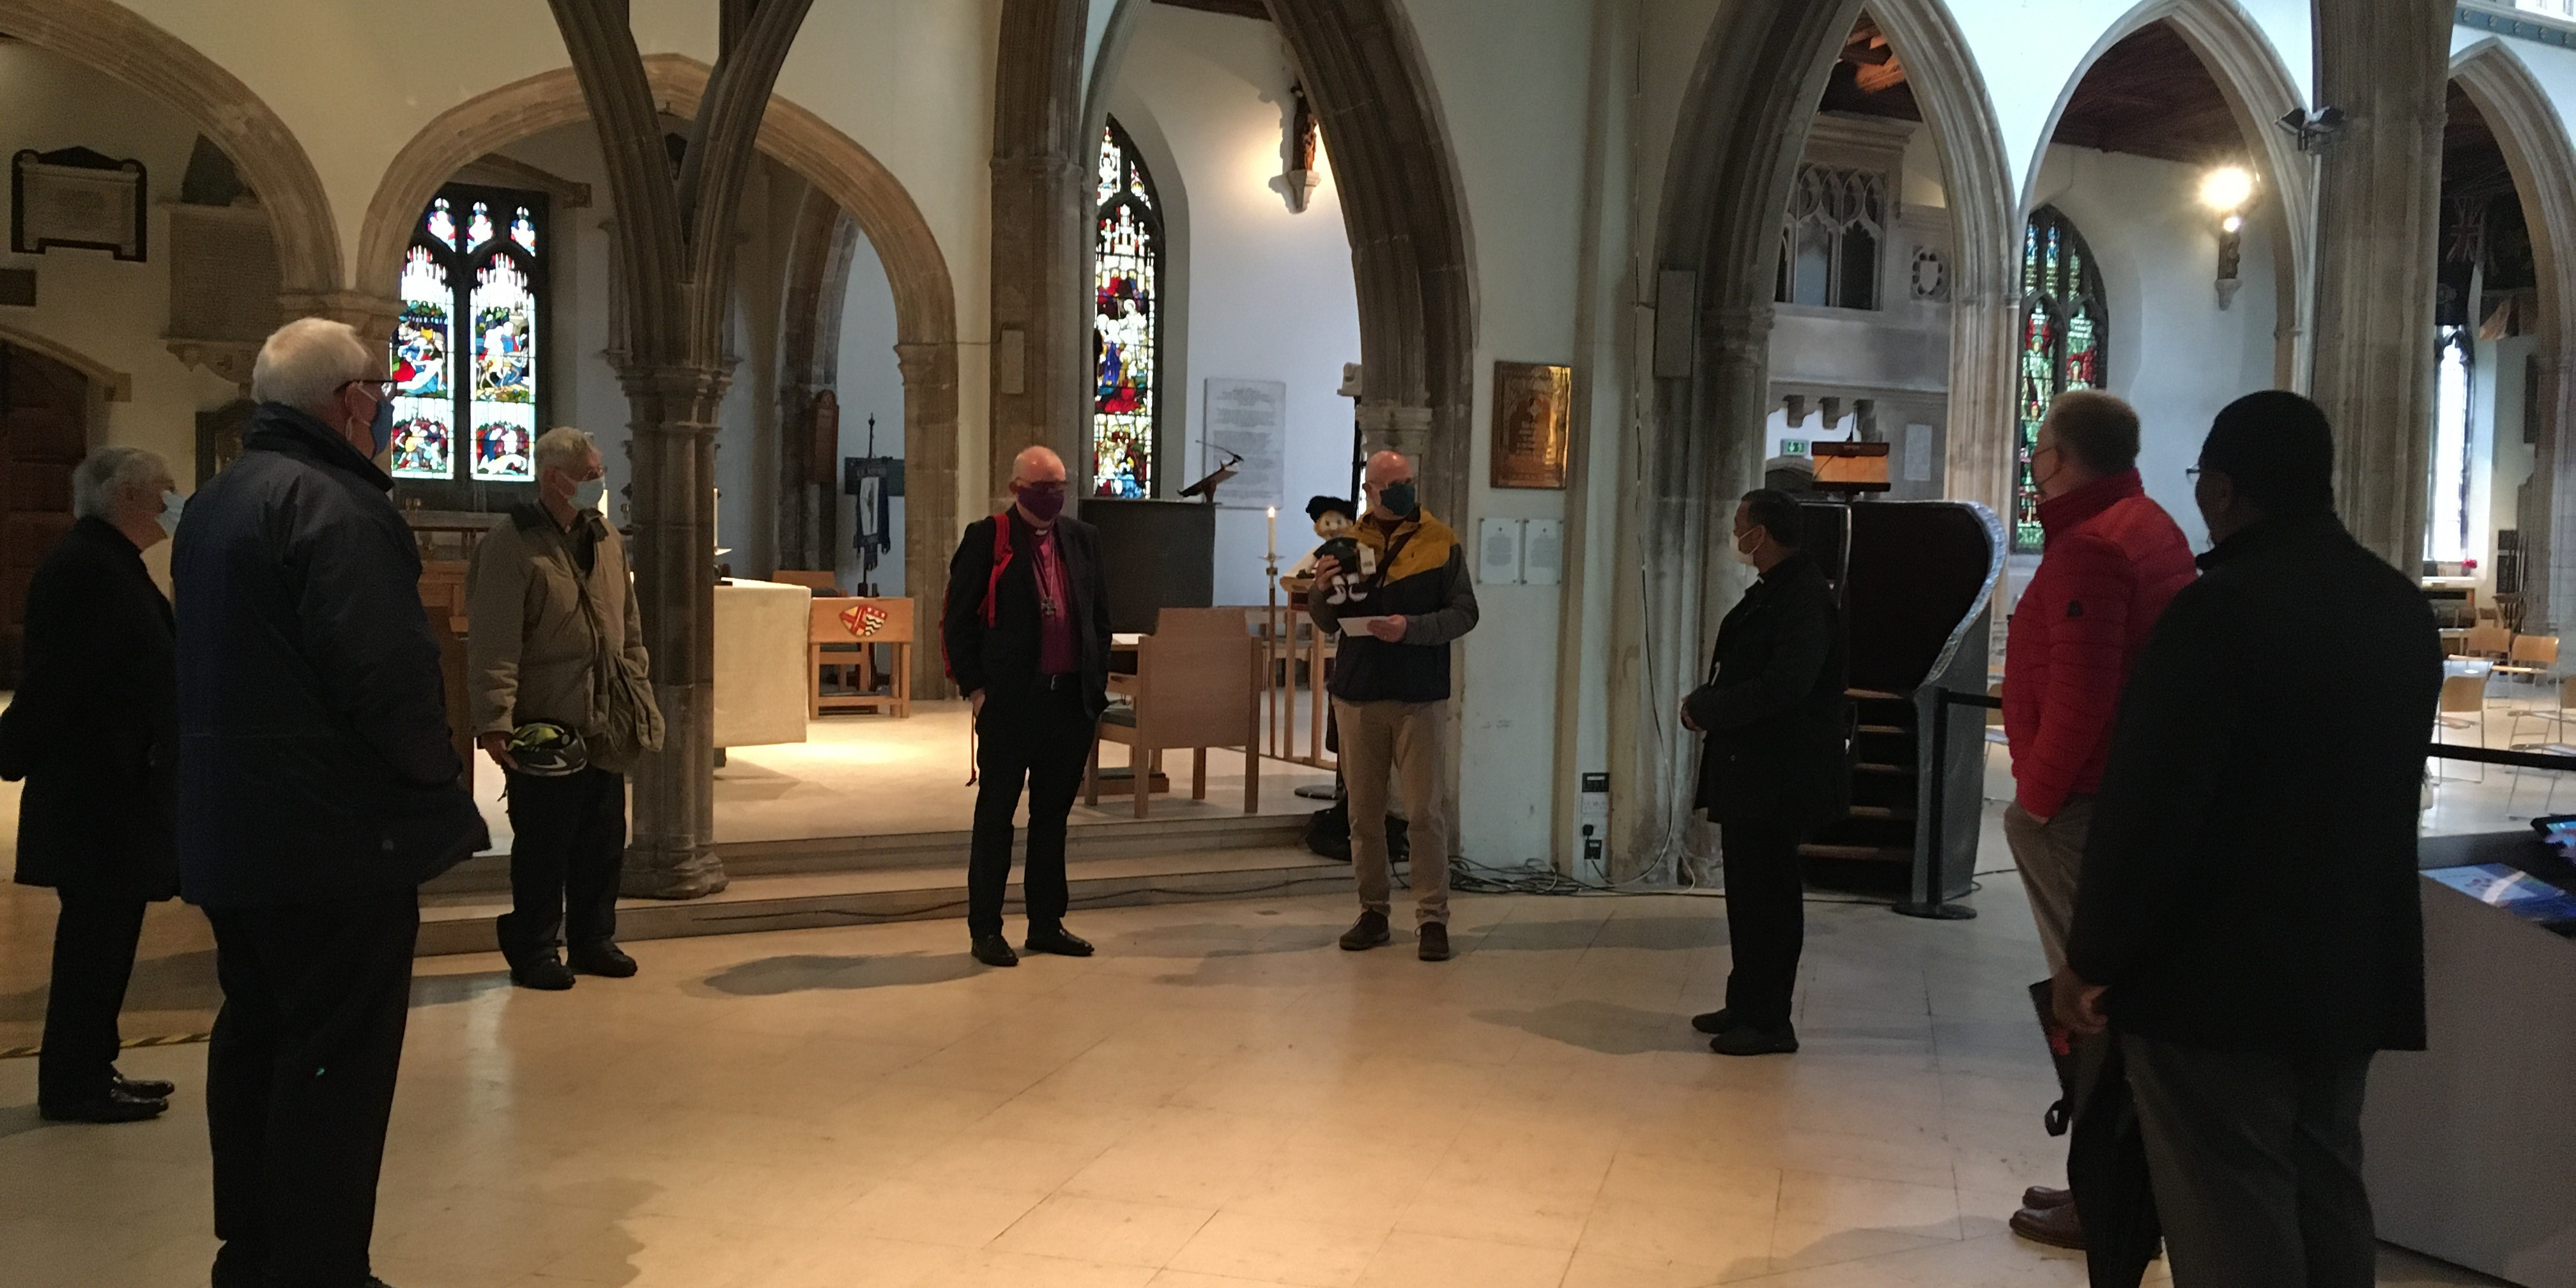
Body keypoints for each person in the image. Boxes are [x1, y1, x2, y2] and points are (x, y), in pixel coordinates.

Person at [2057, 390, 2441, 1288]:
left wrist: (2095, 956)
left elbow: (2153, 809)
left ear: (2225, 490)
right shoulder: (2397, 610)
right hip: (2352, 963)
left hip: (2218, 979)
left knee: (2231, 1201)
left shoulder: (2219, 611)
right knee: (2326, 1183)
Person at [177, 316, 484, 1288]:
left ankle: (256, 1251)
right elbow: (386, 675)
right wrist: (439, 775)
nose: (383, 411)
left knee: (257, 1038)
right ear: (349, 400)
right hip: (333, 841)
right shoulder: (340, 508)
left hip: (237, 830)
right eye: (379, 394)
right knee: (336, 1067)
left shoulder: (219, 501)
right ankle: (317, 1267)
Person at [1998, 390, 2196, 1248]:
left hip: (2079, 808)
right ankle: (2110, 1189)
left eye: (2040, 446)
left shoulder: (2092, 547)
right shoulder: (2148, 522)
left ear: (2064, 457)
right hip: (2119, 800)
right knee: (2104, 1003)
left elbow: (2084, 700)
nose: (2033, 460)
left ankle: (2109, 1200)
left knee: (2091, 1008)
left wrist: (2034, 804)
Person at [0, 447, 181, 1123]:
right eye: (165, 489)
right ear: (130, 496)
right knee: (92, 947)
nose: (174, 499)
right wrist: (11, 751)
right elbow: (61, 683)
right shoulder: (88, 570)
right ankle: (74, 1084)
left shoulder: (109, 564)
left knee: (106, 941)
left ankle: (92, 1067)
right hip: (97, 795)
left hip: (116, 792)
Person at [468, 425, 661, 990]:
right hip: (545, 719)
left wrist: (637, 682)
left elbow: (627, 624)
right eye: (590, 475)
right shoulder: (510, 544)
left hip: (606, 713)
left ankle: (593, 937)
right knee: (544, 845)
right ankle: (533, 947)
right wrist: (496, 722)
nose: (599, 483)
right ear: (555, 479)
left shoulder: (605, 538)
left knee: (602, 838)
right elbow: (495, 642)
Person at [1682, 488, 1848, 1056]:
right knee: (1747, 895)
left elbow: (1787, 686)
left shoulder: (1805, 598)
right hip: (1751, 768)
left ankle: (1772, 1019)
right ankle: (1745, 1001)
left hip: (1781, 772)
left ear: (1765, 533)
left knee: (1772, 899)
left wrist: (1708, 708)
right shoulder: (1774, 592)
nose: (1736, 533)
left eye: (1740, 524)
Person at [942, 445, 1111, 968]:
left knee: (1052, 818)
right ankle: (986, 929)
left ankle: (1045, 923)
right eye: (1042, 486)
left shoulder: (1083, 539)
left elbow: (1098, 616)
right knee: (997, 817)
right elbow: (956, 620)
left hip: (1069, 703)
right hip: (1012, 702)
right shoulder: (988, 538)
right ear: (1016, 488)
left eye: (1060, 485)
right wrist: (976, 690)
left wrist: (1095, 686)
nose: (1053, 495)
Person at [1307, 450, 1479, 962]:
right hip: (1358, 693)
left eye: (1408, 482)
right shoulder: (1345, 544)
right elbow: (1325, 620)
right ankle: (1373, 911)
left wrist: (1412, 629)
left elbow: (1465, 612)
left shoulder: (1440, 541)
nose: (1404, 490)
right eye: (1392, 485)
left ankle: (1432, 918)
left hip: (1418, 695)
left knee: (1425, 811)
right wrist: (1319, 590)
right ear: (1371, 492)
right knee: (1363, 814)